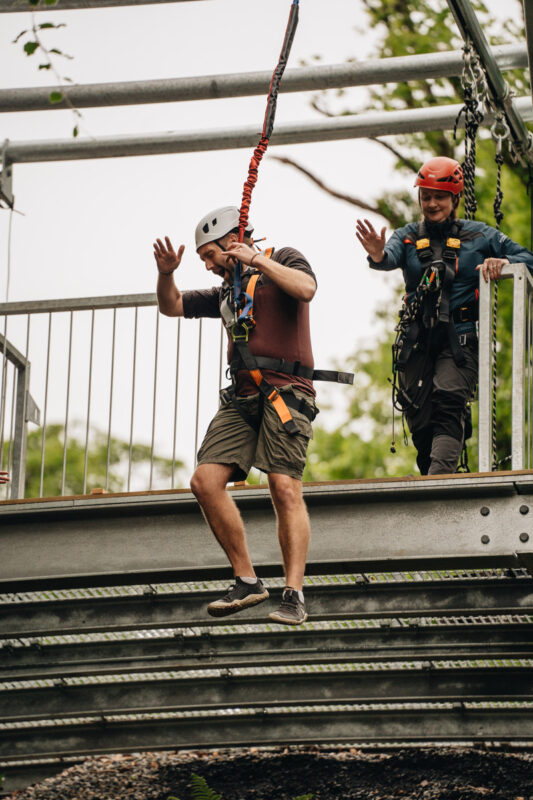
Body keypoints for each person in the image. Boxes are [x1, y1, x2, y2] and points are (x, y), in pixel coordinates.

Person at [154, 206, 325, 625]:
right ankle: (247, 580)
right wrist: (166, 273)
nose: (208, 265)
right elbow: (172, 305)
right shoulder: (225, 294)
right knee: (204, 481)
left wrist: (257, 259)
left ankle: (294, 593)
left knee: (284, 486)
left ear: (232, 242)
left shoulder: (281, 259)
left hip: (286, 390)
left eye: (209, 255)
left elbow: (306, 289)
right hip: (242, 397)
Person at [356, 156, 533, 476]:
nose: (432, 203)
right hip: (417, 340)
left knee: (449, 402)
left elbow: (528, 259)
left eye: (439, 196)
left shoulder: (480, 236)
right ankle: (433, 470)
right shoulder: (408, 236)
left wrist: (502, 263)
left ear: (455, 198)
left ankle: (440, 479)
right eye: (426, 196)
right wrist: (378, 253)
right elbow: (389, 257)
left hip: (459, 339)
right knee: (420, 418)